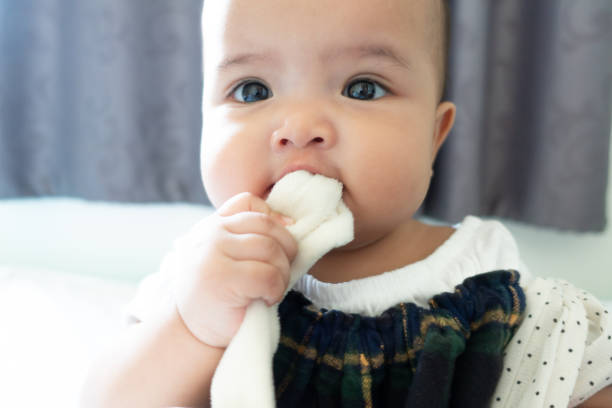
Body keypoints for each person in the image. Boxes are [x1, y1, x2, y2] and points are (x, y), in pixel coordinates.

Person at [79, 0, 612, 406]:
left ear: (434, 136)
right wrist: (192, 325)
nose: (299, 128)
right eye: (251, 90)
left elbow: (570, 368)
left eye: (362, 88)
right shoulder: (203, 268)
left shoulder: (479, 275)